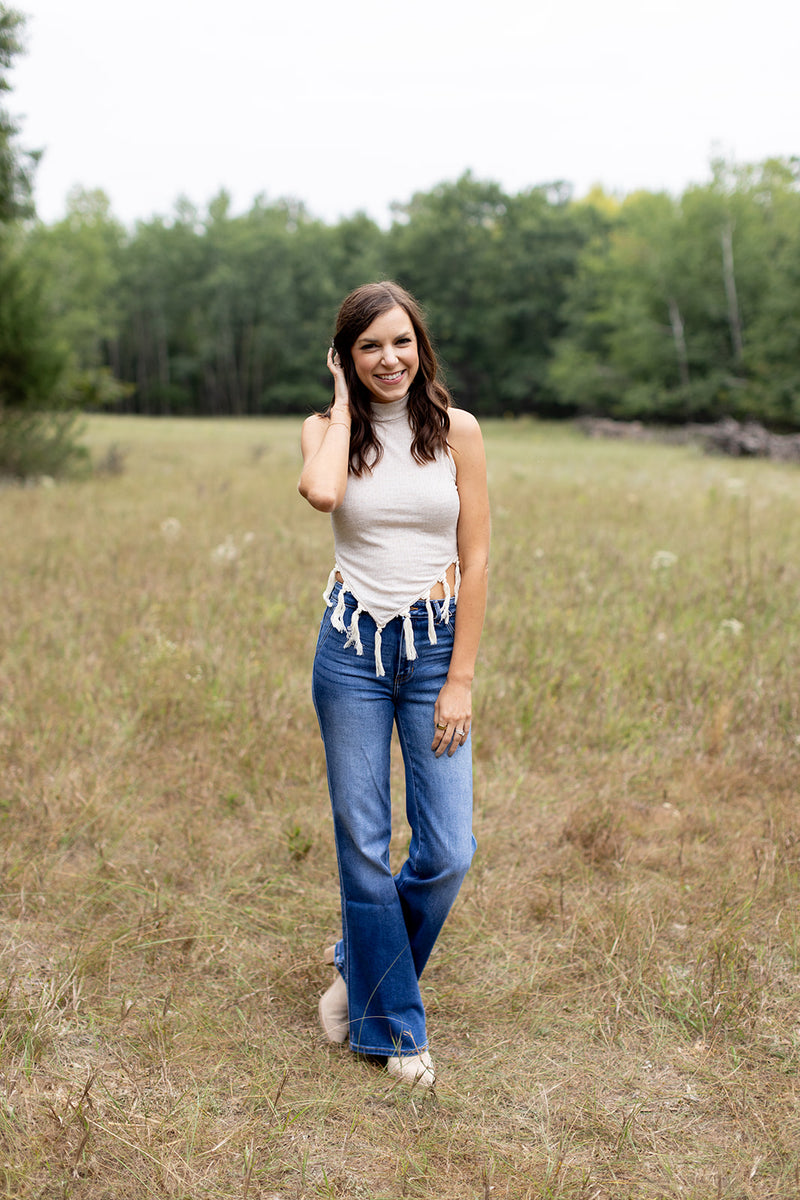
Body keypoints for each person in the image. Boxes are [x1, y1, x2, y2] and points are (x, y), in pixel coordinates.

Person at [298, 281, 490, 1088]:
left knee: (448, 849)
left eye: (402, 341)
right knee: (364, 847)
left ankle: (358, 962)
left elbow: (477, 559)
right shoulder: (323, 431)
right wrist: (342, 407)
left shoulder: (457, 432)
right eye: (370, 345)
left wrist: (461, 679)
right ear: (347, 356)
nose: (390, 359)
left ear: (422, 345)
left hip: (435, 649)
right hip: (350, 653)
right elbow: (322, 494)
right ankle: (394, 1028)